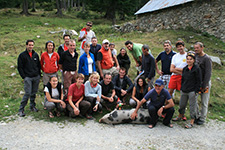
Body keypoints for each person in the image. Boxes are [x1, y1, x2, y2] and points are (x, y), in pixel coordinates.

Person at [172, 51, 201, 129]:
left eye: (190, 59)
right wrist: (181, 88)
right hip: (184, 90)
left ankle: (192, 120)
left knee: (192, 106)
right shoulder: (185, 69)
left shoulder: (196, 69)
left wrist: (196, 91)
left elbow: (199, 81)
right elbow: (183, 79)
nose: (189, 61)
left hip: (192, 91)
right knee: (182, 104)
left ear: (194, 60)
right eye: (187, 59)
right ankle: (180, 116)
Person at [17, 39, 41, 117]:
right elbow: (20, 67)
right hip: (28, 77)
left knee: (34, 93)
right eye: (29, 45)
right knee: (27, 93)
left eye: (32, 45)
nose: (30, 46)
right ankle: (21, 109)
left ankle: (32, 106)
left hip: (35, 77)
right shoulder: (22, 55)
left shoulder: (35, 55)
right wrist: (24, 77)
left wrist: (39, 75)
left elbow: (38, 65)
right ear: (26, 45)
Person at [194, 42, 212, 125]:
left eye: (197, 48)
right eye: (195, 48)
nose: (196, 49)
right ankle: (196, 116)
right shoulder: (195, 56)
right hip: (196, 82)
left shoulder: (206, 58)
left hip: (205, 82)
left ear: (202, 48)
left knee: (204, 101)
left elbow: (208, 73)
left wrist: (204, 85)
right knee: (194, 99)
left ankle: (202, 118)